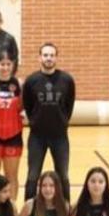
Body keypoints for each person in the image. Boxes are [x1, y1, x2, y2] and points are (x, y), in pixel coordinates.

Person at [21, 43, 75, 200]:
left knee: (63, 176)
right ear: (40, 58)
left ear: (56, 58)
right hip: (37, 136)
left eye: (51, 55)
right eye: (45, 55)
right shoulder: (31, 81)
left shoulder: (66, 80)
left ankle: (65, 210)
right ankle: (29, 212)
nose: (48, 58)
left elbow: (69, 105)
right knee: (32, 176)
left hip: (60, 136)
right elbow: (28, 105)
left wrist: (63, 121)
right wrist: (35, 121)